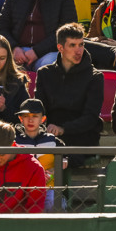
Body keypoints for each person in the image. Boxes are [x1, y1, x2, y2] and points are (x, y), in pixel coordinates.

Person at [35, 22, 104, 159]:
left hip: (81, 137)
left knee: (61, 158)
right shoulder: (45, 74)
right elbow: (39, 110)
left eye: (81, 44)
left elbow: (90, 117)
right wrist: (50, 128)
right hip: (51, 134)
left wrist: (63, 129)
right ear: (60, 47)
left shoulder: (95, 77)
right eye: (72, 45)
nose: (78, 51)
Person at [14, 98, 66, 211]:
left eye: (35, 116)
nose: (30, 120)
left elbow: (65, 160)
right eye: (26, 116)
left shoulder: (53, 141)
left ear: (43, 119)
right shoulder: (15, 142)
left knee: (54, 203)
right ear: (20, 119)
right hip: (22, 190)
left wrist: (54, 170)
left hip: (48, 189)